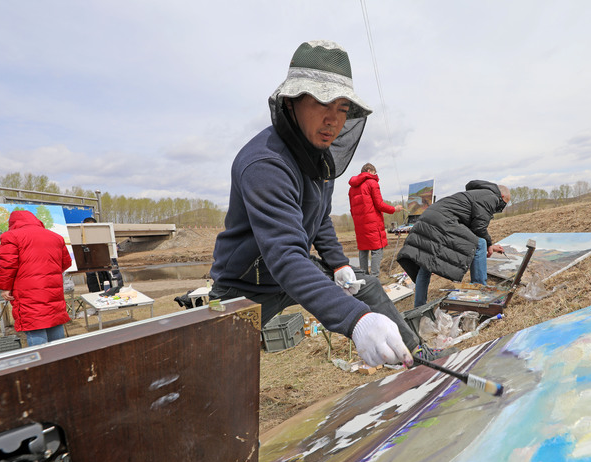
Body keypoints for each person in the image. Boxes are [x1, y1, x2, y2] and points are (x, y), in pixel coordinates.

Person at [209, 40, 446, 367]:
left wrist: (339, 265)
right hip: (246, 285)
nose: (333, 120)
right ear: (291, 102)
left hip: (292, 272)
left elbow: (318, 220)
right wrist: (356, 319)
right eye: (323, 104)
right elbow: (284, 254)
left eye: (343, 109)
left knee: (368, 285)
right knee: (217, 364)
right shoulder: (265, 163)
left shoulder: (320, 159)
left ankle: (419, 357)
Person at [397, 180, 511, 308]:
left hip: (427, 218)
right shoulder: (491, 197)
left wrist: (492, 245)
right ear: (501, 197)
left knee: (426, 263)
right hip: (442, 221)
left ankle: (419, 306)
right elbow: (479, 227)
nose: (500, 208)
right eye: (503, 205)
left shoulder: (476, 194)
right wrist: (489, 244)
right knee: (480, 244)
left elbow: (471, 228)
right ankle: (479, 290)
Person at [0, 210, 73, 346]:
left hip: (26, 291)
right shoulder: (56, 236)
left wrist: (5, 287)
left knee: (34, 324)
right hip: (52, 289)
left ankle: (41, 365)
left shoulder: (11, 236)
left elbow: (8, 265)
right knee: (54, 321)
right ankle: (61, 362)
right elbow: (66, 262)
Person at [348, 163, 402, 278]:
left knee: (363, 249)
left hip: (360, 224)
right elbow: (379, 204)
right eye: (374, 172)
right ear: (369, 170)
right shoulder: (372, 183)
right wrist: (394, 209)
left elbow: (352, 209)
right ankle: (374, 279)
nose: (375, 175)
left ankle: (363, 278)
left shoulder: (352, 188)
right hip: (372, 222)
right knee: (377, 249)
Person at [81, 217, 114, 292]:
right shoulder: (81, 239)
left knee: (105, 276)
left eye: (90, 227)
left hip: (103, 264)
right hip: (89, 263)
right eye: (86, 227)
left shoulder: (103, 235)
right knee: (90, 275)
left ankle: (109, 292)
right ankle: (94, 293)